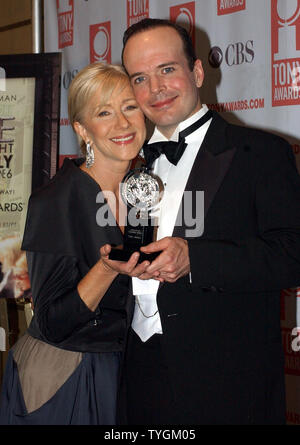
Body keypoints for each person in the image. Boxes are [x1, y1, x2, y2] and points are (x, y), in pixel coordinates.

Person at [120, 18, 300, 425]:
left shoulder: (261, 151)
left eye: (167, 69)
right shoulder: (133, 163)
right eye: (140, 78)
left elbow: (293, 252)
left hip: (226, 383)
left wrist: (195, 260)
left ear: (197, 72)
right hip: (138, 373)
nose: (156, 89)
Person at [0, 62, 148, 425]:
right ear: (83, 129)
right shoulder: (55, 200)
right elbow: (52, 322)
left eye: (130, 107)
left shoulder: (148, 188)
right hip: (67, 375)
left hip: (131, 369)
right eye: (104, 112)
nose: (122, 123)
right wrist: (105, 269)